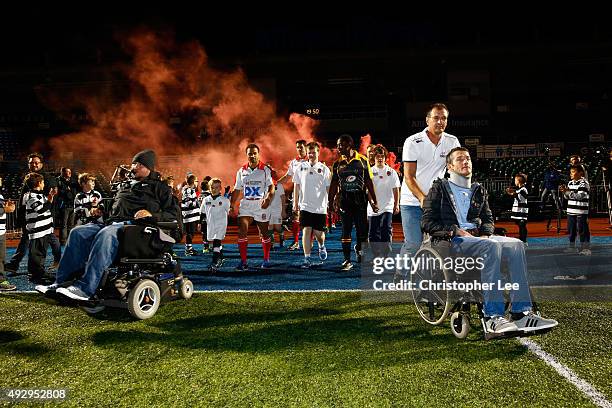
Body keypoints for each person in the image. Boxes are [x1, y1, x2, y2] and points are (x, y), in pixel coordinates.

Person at [421, 147, 558, 334]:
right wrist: (455, 230)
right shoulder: (439, 189)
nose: (465, 162)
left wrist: (485, 233)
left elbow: (488, 219)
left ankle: (521, 313)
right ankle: (492, 316)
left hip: (479, 238)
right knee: (490, 246)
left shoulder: (478, 189)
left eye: (468, 158)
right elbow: (427, 223)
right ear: (450, 166)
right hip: (452, 241)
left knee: (516, 245)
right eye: (460, 159)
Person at [35, 149, 178, 300]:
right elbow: (117, 207)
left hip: (138, 228)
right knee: (78, 232)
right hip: (114, 224)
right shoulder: (126, 185)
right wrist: (102, 209)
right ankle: (61, 282)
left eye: (138, 164)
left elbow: (172, 214)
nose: (133, 167)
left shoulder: (160, 188)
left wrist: (151, 215)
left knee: (107, 233)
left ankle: (86, 288)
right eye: (133, 163)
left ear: (149, 167)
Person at [400, 103, 460, 253]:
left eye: (444, 118)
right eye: (436, 118)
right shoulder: (412, 141)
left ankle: (432, 275)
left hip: (436, 202)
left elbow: (457, 171)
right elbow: (409, 176)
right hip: (412, 202)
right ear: (427, 120)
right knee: (413, 244)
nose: (440, 122)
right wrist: (422, 199)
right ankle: (401, 275)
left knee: (440, 244)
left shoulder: (452, 141)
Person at [328, 134, 378, 271]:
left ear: (349, 145)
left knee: (362, 231)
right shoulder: (337, 164)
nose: (338, 148)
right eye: (337, 145)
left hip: (360, 199)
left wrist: (374, 200)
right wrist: (330, 202)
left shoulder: (363, 161)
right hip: (345, 200)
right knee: (346, 230)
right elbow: (333, 184)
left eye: (340, 145)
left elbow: (369, 181)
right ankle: (346, 260)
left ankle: (359, 249)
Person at [5, 153, 61, 274]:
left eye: (36, 162)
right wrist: (21, 218)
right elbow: (24, 200)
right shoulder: (28, 178)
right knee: (26, 241)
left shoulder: (49, 179)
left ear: (41, 164)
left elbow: (51, 199)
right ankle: (15, 265)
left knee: (47, 242)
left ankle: (53, 263)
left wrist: (46, 216)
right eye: (31, 162)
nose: (33, 164)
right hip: (30, 218)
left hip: (42, 218)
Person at [230, 143, 274, 271]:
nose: (252, 155)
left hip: (261, 204)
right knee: (242, 230)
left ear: (258, 154)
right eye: (250, 153)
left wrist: (268, 198)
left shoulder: (265, 169)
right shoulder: (241, 171)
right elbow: (237, 189)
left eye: (255, 153)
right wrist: (232, 204)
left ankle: (266, 259)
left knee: (264, 233)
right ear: (246, 155)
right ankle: (243, 261)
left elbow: (271, 187)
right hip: (246, 205)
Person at [293, 142, 331, 269]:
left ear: (318, 152)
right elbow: (296, 186)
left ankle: (321, 246)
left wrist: (330, 203)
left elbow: (328, 188)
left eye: (313, 152)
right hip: (305, 205)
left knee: (318, 233)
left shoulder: (324, 169)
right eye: (309, 152)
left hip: (320, 207)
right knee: (306, 231)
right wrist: (295, 202)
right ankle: (307, 258)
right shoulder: (301, 167)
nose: (311, 154)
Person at [367, 144, 400, 258]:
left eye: (382, 156)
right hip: (373, 208)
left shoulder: (391, 172)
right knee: (372, 234)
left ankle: (385, 253)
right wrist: (372, 203)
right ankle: (376, 255)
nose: (380, 158)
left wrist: (396, 205)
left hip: (387, 206)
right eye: (377, 156)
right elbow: (368, 190)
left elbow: (396, 189)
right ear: (374, 158)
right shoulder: (370, 171)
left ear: (385, 158)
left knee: (385, 229)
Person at [23, 173, 56, 283]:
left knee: (41, 253)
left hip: (45, 230)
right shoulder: (30, 196)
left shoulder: (40, 195)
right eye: (42, 182)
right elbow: (40, 210)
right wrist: (50, 199)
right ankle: (34, 275)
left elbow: (47, 208)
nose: (44, 184)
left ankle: (40, 272)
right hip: (37, 231)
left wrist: (50, 199)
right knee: (36, 254)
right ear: (38, 183)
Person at [277, 140, 308, 251]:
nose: (299, 149)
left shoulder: (311, 160)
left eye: (301, 147)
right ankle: (296, 242)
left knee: (309, 217)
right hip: (298, 191)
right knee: (296, 215)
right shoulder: (294, 162)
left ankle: (311, 241)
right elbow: (287, 177)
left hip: (310, 192)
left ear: (306, 147)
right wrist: (276, 183)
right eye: (298, 147)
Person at [560, 164, 591, 255]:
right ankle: (572, 247)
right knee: (571, 230)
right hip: (570, 211)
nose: (571, 174)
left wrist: (567, 192)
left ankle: (585, 249)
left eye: (573, 172)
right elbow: (567, 197)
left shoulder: (584, 183)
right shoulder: (570, 183)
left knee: (583, 230)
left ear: (581, 173)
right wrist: (565, 192)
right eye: (570, 172)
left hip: (581, 211)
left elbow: (580, 196)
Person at [201, 178, 230, 272]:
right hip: (210, 225)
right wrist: (200, 223)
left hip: (221, 224)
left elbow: (229, 211)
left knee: (217, 242)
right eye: (212, 187)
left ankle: (214, 262)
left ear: (220, 188)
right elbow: (202, 213)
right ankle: (221, 257)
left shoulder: (225, 200)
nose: (214, 189)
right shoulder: (206, 200)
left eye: (217, 187)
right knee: (214, 242)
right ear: (209, 188)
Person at [0, 177, 16, 291]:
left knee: (1, 258)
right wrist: (5, 209)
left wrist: (6, 207)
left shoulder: (0, 195)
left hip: (1, 231)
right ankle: (1, 281)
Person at [56, 167, 78, 245]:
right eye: (67, 172)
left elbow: (75, 193)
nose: (69, 173)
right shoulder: (58, 181)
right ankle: (63, 242)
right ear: (62, 172)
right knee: (64, 225)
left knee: (71, 225)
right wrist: (67, 191)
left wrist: (69, 190)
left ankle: (70, 240)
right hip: (64, 206)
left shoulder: (73, 182)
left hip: (72, 205)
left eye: (70, 172)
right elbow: (60, 193)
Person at [180, 173, 200, 256]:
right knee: (190, 233)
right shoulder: (188, 190)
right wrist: (197, 203)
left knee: (191, 232)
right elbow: (188, 203)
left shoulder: (188, 189)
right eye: (196, 181)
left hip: (191, 216)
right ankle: (188, 250)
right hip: (189, 216)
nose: (197, 183)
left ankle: (189, 248)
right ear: (194, 181)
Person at [506, 172, 529, 243]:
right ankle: (521, 238)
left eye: (515, 180)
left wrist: (513, 193)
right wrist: (511, 193)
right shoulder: (519, 189)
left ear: (518, 181)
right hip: (518, 210)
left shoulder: (523, 189)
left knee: (522, 225)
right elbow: (515, 194)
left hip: (522, 210)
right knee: (520, 225)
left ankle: (524, 239)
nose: (514, 181)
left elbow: (521, 197)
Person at [267, 170, 287, 250]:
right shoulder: (265, 185)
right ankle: (271, 244)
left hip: (277, 210)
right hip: (268, 209)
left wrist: (283, 210)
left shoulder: (279, 185)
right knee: (270, 227)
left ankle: (282, 237)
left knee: (277, 227)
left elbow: (283, 198)